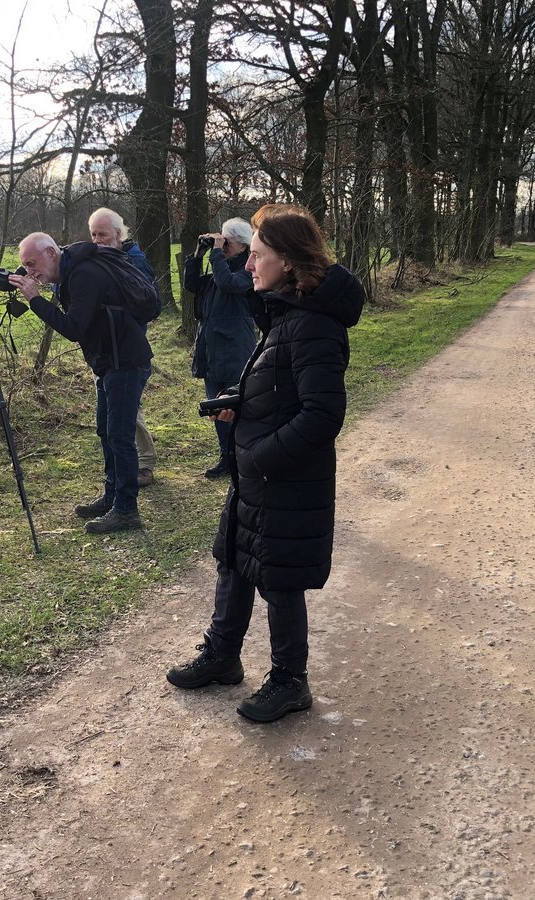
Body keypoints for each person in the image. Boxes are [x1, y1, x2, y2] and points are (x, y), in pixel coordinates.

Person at [166, 204, 364, 723]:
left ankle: (290, 681)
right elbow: (282, 388)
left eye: (256, 257)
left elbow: (322, 415)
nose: (248, 266)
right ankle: (222, 656)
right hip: (260, 473)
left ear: (289, 261)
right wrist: (242, 400)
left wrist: (258, 456)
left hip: (285, 477)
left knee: (279, 579)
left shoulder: (314, 326)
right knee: (234, 560)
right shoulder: (287, 313)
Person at [10, 233, 153, 534]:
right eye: (25, 266)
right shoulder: (72, 273)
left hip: (125, 362)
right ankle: (112, 496)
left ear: (51, 252)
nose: (30, 271)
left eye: (32, 263)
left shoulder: (84, 275)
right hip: (108, 362)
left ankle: (127, 510)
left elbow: (73, 328)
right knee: (106, 431)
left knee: (120, 435)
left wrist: (35, 299)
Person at [88, 207, 160, 488]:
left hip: (127, 353)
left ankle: (144, 465)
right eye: (93, 234)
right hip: (107, 353)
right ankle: (121, 478)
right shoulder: (103, 259)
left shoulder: (134, 262)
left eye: (102, 234)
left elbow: (145, 306)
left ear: (118, 234)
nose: (97, 240)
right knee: (116, 421)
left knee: (128, 415)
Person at [184, 217, 257, 479]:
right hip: (212, 349)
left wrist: (216, 254)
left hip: (236, 350)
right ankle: (226, 459)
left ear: (241, 245)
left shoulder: (247, 271)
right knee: (217, 408)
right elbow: (191, 285)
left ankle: (244, 457)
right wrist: (199, 252)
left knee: (237, 408)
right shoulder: (219, 268)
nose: (222, 245)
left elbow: (229, 284)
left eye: (226, 241)